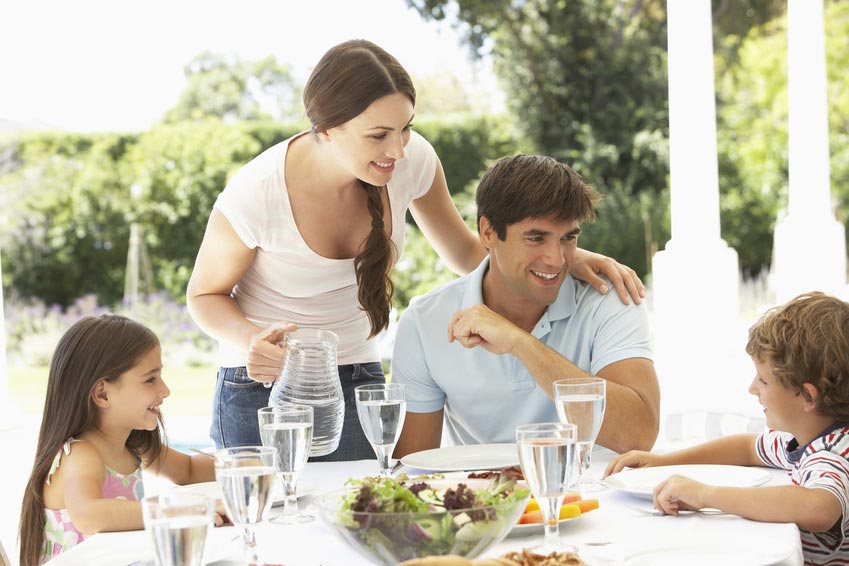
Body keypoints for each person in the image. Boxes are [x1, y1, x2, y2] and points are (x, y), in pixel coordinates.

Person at [186, 39, 646, 461]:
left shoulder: (412, 162)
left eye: (406, 128)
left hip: (360, 376)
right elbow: (203, 296)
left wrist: (563, 257)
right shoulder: (258, 193)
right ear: (326, 130)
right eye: (378, 135)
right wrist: (252, 340)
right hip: (264, 385)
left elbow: (471, 252)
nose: (398, 150)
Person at [392, 154, 660, 458]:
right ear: (488, 232)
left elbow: (640, 435)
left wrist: (520, 343)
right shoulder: (426, 321)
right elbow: (413, 466)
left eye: (568, 238)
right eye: (536, 238)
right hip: (487, 497)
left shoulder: (609, 300)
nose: (557, 259)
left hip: (596, 498)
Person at [604, 291, 849, 565]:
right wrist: (663, 461)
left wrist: (706, 495)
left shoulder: (832, 454)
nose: (752, 388)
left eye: (764, 381)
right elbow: (746, 448)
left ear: (808, 397)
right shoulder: (802, 438)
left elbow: (818, 507)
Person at [18, 315, 223, 566]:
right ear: (102, 393)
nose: (165, 390)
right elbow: (89, 515)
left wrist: (253, 465)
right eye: (150, 379)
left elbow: (188, 470)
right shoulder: (82, 454)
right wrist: (179, 510)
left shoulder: (132, 444)